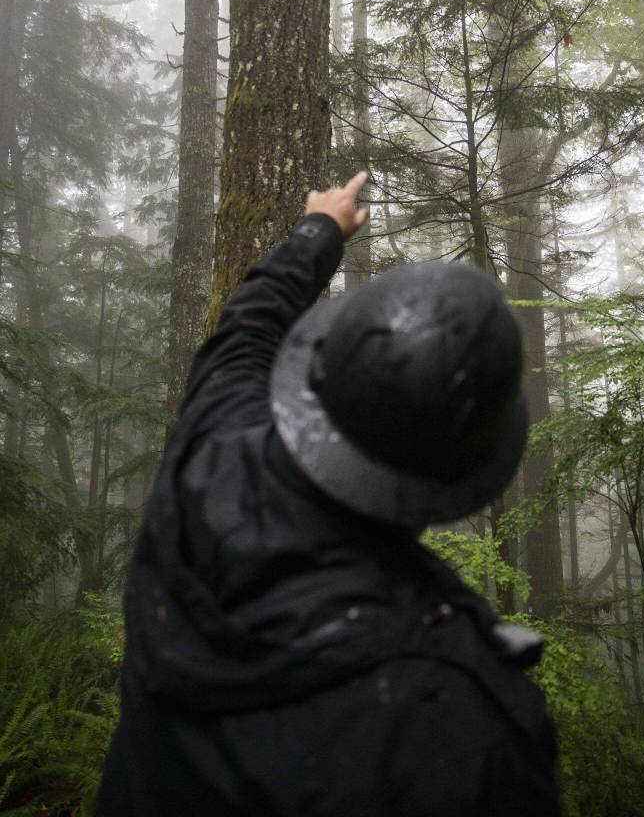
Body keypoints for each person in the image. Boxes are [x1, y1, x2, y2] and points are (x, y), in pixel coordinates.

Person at [97, 171, 560, 817]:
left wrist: (319, 229)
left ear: (316, 376)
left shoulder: (210, 453)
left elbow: (246, 330)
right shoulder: (455, 712)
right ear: (460, 475)